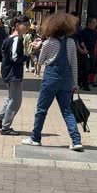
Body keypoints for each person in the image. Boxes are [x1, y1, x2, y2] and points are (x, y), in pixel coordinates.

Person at [22, 12, 84, 152]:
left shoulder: (49, 43)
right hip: (66, 81)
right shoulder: (71, 42)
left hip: (51, 79)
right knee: (67, 111)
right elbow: (74, 64)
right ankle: (76, 140)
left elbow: (41, 61)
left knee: (42, 110)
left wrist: (38, 47)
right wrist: (75, 83)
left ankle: (35, 138)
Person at [0, 15, 28, 135]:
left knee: (10, 97)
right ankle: (6, 127)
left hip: (8, 71)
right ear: (17, 25)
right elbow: (15, 57)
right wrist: (28, 56)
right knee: (16, 101)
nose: (27, 27)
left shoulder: (10, 38)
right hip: (13, 73)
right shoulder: (16, 39)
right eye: (25, 25)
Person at [76, 17, 97, 91]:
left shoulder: (95, 32)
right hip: (85, 52)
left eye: (96, 23)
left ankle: (82, 82)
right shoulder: (83, 31)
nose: (96, 24)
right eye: (94, 22)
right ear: (89, 23)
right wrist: (84, 48)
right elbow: (81, 41)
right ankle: (85, 84)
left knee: (90, 68)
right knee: (86, 68)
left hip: (92, 52)